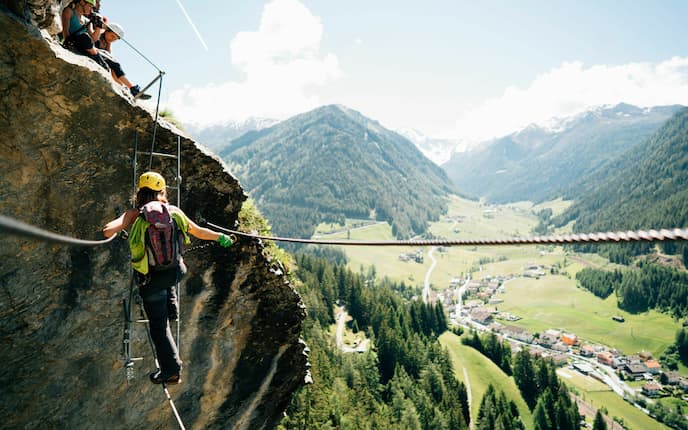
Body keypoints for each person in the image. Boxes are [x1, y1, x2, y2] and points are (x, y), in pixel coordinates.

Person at [103, 172, 234, 384]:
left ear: (140, 192)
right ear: (162, 192)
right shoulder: (173, 212)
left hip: (152, 280)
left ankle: (172, 370)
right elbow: (198, 232)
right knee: (168, 282)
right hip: (176, 272)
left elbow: (108, 231)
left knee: (158, 326)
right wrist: (221, 237)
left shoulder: (135, 214)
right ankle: (171, 308)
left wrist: (125, 224)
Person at [95, 22, 151, 99]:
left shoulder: (107, 42)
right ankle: (131, 88)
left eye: (115, 39)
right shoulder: (99, 34)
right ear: (107, 31)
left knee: (114, 70)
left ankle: (125, 88)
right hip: (95, 54)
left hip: (101, 57)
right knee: (115, 65)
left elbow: (109, 55)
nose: (113, 39)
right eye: (112, 36)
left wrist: (109, 44)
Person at [60, 0, 109, 70]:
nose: (91, 9)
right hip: (72, 42)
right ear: (82, 2)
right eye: (90, 6)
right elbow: (65, 31)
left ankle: (98, 58)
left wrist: (98, 26)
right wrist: (68, 44)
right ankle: (97, 57)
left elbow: (93, 39)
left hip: (85, 47)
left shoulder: (86, 21)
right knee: (84, 36)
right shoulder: (69, 11)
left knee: (85, 37)